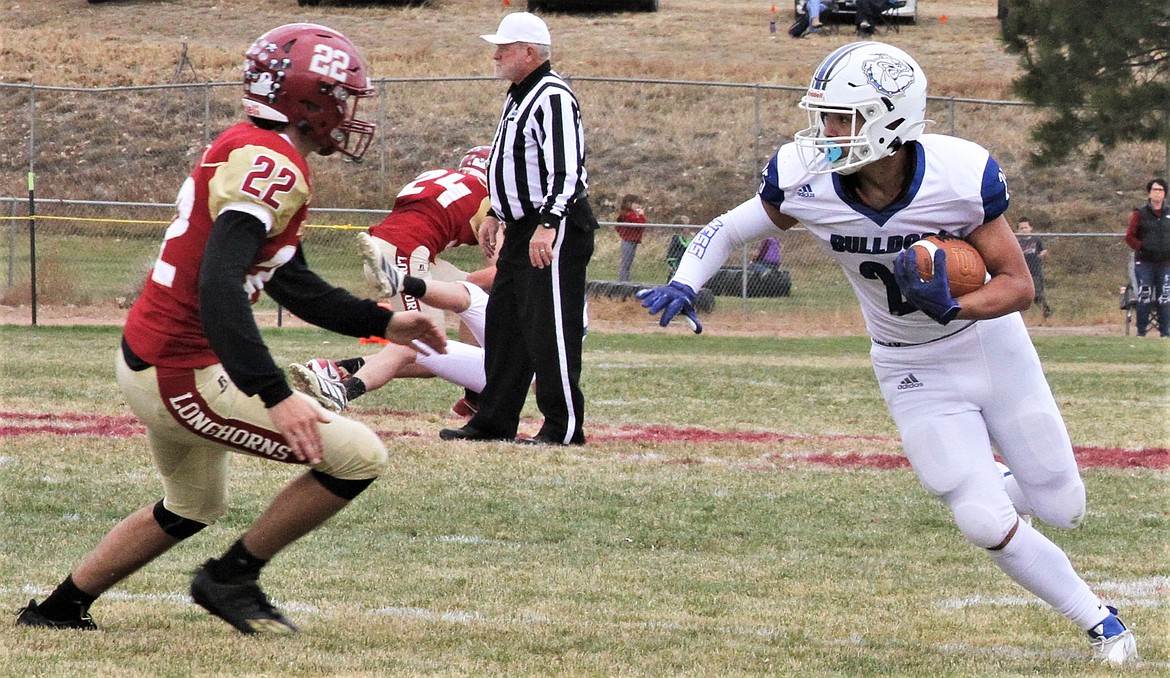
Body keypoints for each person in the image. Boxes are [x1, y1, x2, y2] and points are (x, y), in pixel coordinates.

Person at [637, 42, 1138, 666]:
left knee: (1064, 506)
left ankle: (1000, 482)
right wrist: (688, 280)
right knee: (982, 521)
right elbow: (729, 229)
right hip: (908, 363)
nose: (826, 133)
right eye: (824, 116)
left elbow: (1018, 286)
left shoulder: (958, 176)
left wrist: (955, 307)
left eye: (841, 119)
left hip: (987, 347)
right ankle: (1103, 623)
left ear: (890, 120)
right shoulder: (806, 176)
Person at [14, 23, 447, 635]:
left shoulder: (251, 144)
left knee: (193, 504)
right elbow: (219, 284)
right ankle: (231, 576)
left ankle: (56, 610)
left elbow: (287, 277)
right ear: (308, 99)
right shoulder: (271, 162)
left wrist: (385, 321)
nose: (346, 115)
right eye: (338, 98)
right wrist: (275, 394)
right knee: (359, 457)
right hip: (181, 370)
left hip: (153, 354)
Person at [440, 12, 599, 446]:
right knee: (505, 322)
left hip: (554, 224)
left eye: (504, 48)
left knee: (549, 326)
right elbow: (512, 164)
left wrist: (547, 225)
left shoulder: (552, 95)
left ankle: (563, 427)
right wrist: (496, 212)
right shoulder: (519, 95)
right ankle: (493, 420)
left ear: (529, 52)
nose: (495, 55)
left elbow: (566, 170)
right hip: (521, 224)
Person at [357, 145, 495, 414]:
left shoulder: (439, 175)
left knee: (469, 291)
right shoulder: (486, 199)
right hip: (406, 256)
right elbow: (497, 272)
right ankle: (339, 370)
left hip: (389, 247)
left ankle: (475, 395)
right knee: (430, 353)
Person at [290, 267, 491, 414]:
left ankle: (403, 282)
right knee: (414, 344)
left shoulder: (518, 239)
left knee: (471, 292)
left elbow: (482, 278)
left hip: (515, 370)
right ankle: (340, 393)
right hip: (502, 362)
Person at [1124, 178, 1170, 337]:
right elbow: (1129, 236)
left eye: (1160, 190)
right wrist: (1142, 247)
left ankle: (1165, 333)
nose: (1157, 193)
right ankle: (1141, 332)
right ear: (1149, 193)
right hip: (1145, 263)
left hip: (1165, 263)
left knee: (1165, 297)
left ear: (1165, 194)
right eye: (1154, 190)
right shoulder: (1140, 214)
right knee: (1144, 295)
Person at [1015, 217, 1052, 318]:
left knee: (1037, 295)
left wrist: (1042, 254)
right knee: (1021, 296)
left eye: (1025, 228)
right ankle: (1019, 317)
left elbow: (1044, 251)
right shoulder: (1017, 242)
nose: (1024, 230)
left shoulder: (1036, 240)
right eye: (1021, 228)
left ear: (1030, 228)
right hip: (1023, 272)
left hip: (1035, 271)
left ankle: (1046, 313)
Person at [614, 193, 647, 282]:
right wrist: (640, 215)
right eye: (635, 203)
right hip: (628, 241)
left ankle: (626, 281)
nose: (638, 206)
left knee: (628, 263)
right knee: (625, 263)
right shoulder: (628, 215)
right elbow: (639, 224)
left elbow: (642, 225)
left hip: (633, 241)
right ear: (629, 204)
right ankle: (624, 282)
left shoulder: (632, 214)